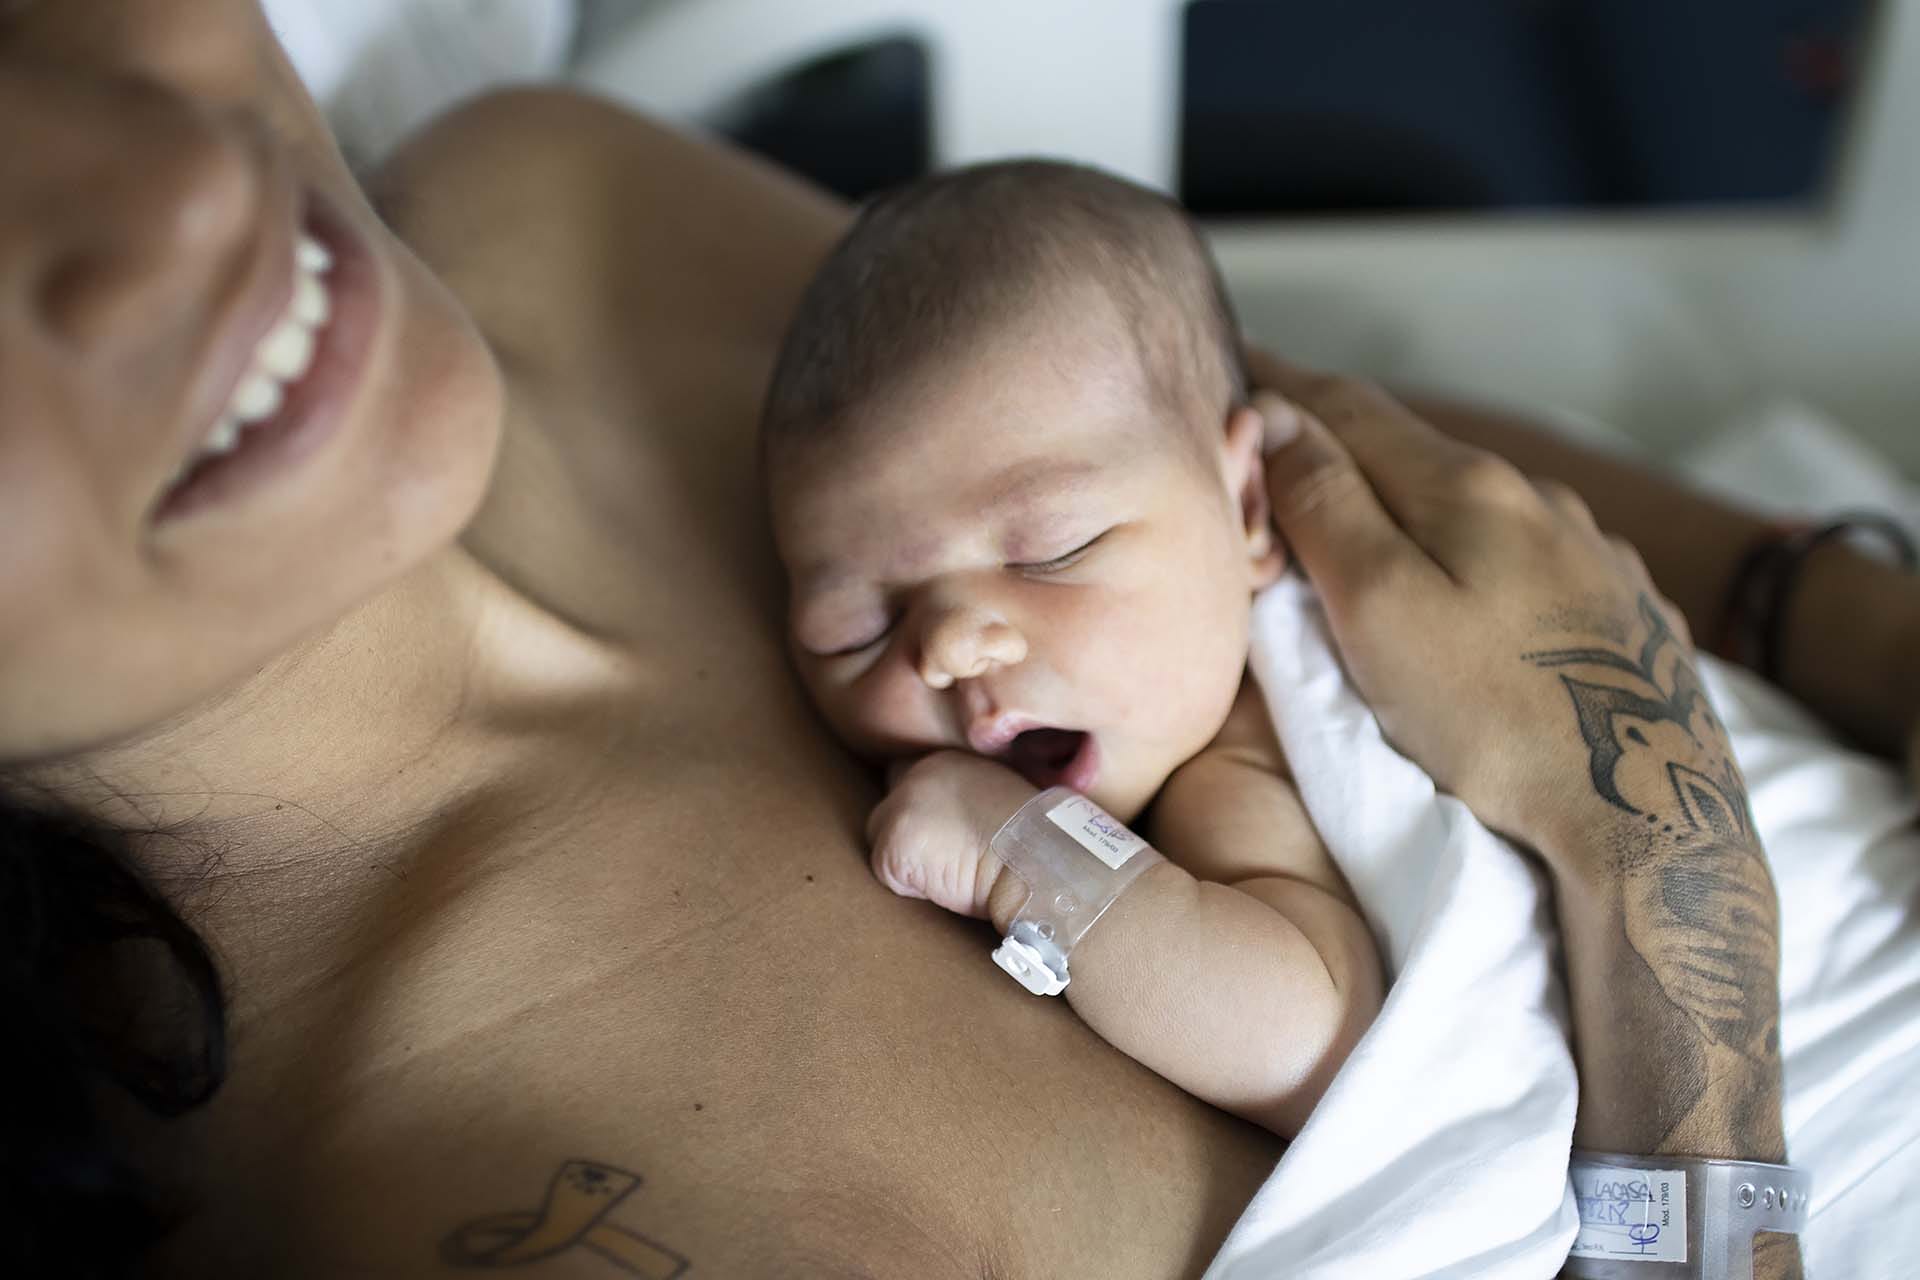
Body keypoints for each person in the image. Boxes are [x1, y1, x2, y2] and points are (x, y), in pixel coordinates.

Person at [5, 2, 1883, 1276]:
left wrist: (1839, 618)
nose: (183, 190)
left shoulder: (556, 206)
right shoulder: (534, 1202)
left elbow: (1278, 437)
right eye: (855, 618)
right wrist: (1656, 861)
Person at [761, 158, 1381, 1138]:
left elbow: (1312, 1047)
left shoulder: (1247, 752)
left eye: (1053, 549)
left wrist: (1020, 854)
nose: (951, 647)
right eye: (857, 627)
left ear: (1247, 504)